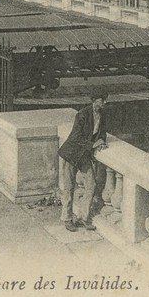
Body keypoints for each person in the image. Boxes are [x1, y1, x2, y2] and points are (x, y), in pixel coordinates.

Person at [57, 91, 108, 232]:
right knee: (69, 187)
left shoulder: (102, 115)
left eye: (104, 100)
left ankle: (83, 218)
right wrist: (92, 145)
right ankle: (67, 219)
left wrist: (102, 141)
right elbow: (75, 137)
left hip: (84, 155)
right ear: (94, 101)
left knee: (91, 184)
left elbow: (102, 132)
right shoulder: (82, 114)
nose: (104, 103)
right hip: (72, 154)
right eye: (101, 100)